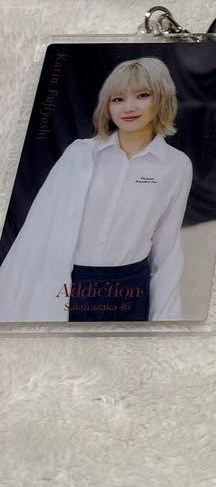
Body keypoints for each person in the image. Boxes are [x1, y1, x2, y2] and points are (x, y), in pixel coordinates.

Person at [0, 57, 193, 322]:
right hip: (72, 285)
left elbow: (167, 248)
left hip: (131, 288)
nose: (129, 107)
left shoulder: (177, 165)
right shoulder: (80, 154)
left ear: (161, 98)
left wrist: (165, 322)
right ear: (107, 106)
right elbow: (40, 228)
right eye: (118, 99)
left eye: (142, 95)